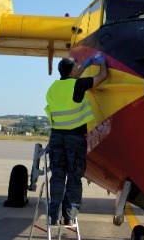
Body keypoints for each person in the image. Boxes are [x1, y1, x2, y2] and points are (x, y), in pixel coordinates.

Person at [45, 53, 108, 226]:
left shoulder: (54, 87)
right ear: (73, 70)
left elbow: (72, 81)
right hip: (74, 137)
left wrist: (83, 66)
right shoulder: (78, 85)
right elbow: (103, 76)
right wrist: (101, 63)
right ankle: (69, 216)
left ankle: (53, 216)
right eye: (76, 67)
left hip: (56, 136)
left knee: (57, 176)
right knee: (74, 176)